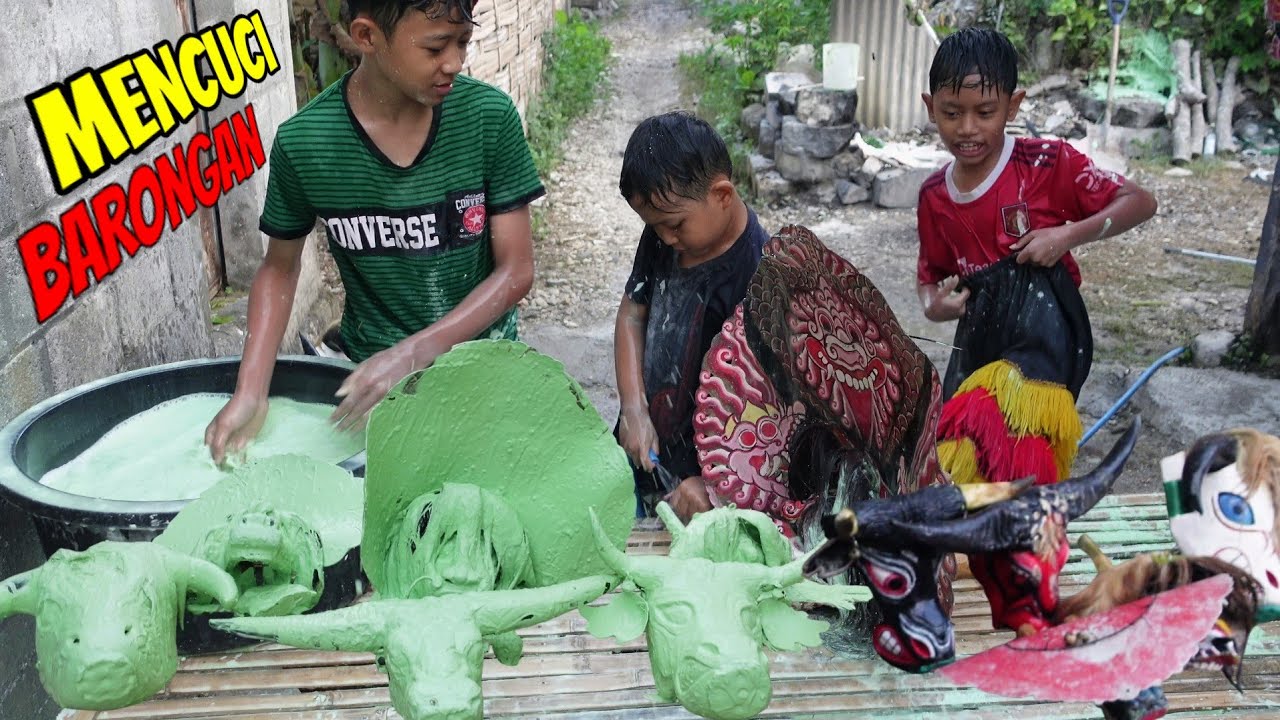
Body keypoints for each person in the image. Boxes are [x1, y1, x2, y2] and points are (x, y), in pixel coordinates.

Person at [205, 0, 542, 464]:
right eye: (436, 46)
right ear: (366, 36)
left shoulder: (487, 119)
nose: (454, 62)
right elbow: (279, 270)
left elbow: (516, 270)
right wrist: (251, 390)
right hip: (370, 390)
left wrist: (412, 355)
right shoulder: (307, 143)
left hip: (484, 374)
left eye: (462, 41)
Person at [914, 26, 1157, 636]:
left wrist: (1069, 234)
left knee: (1017, 443)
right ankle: (989, 568)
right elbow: (929, 285)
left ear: (1014, 107)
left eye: (984, 112)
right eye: (951, 113)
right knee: (956, 463)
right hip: (979, 339)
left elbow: (1140, 200)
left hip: (1045, 336)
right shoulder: (932, 198)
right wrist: (938, 305)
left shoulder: (1047, 166)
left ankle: (1035, 584)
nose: (967, 128)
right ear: (929, 109)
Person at [613, 112, 769, 522]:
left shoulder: (760, 274)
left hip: (713, 482)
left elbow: (772, 411)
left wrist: (717, 483)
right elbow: (632, 314)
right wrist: (633, 407)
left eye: (674, 225)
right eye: (654, 227)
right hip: (649, 446)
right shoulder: (664, 234)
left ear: (721, 194)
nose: (665, 239)